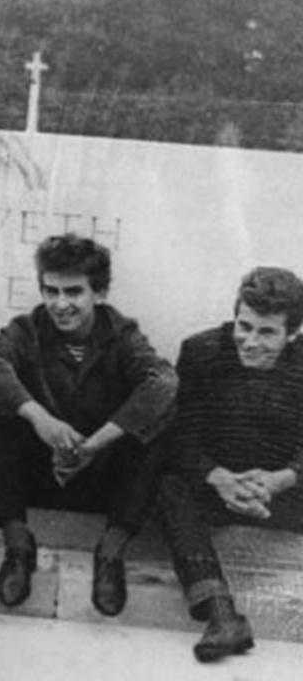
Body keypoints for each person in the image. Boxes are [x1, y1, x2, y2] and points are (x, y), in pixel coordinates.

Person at [0, 233, 176, 615]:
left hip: (101, 479)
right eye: (51, 291)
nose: (60, 304)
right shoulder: (27, 329)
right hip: (42, 473)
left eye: (74, 292)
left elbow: (162, 382)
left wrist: (95, 445)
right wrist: (40, 419)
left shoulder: (122, 335)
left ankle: (110, 554)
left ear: (99, 292)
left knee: (162, 416)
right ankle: (17, 547)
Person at [158, 267, 303, 662]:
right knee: (167, 484)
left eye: (267, 332)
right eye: (245, 326)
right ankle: (221, 615)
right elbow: (180, 435)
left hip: (284, 492)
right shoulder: (201, 351)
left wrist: (279, 480)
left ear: (292, 334)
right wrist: (217, 477)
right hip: (216, 487)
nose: (251, 342)